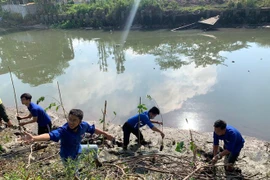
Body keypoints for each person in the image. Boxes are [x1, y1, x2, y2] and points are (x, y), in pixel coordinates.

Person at [20, 109, 115, 167]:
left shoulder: (84, 126)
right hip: (67, 156)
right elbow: (50, 135)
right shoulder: (63, 130)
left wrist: (106, 134)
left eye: (74, 120)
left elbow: (93, 130)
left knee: (94, 148)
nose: (71, 122)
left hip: (78, 149)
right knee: (74, 174)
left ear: (80, 121)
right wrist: (34, 138)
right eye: (70, 119)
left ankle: (96, 161)